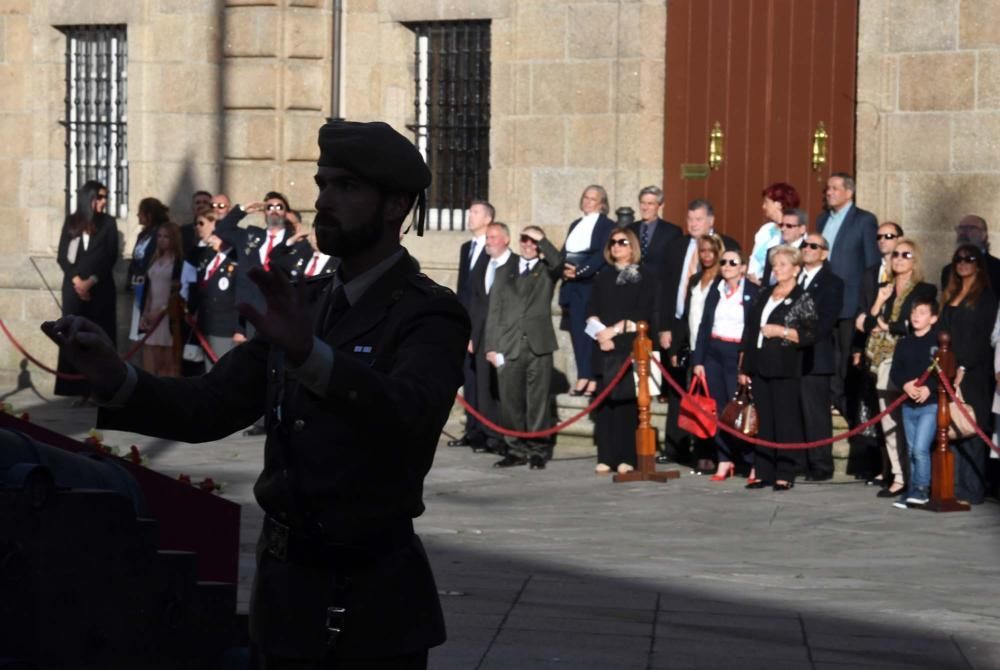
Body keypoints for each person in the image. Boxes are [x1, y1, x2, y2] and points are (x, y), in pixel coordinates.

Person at [43, 119, 469, 669]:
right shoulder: (306, 302)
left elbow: (408, 412)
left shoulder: (428, 312)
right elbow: (208, 406)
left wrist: (310, 357)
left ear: (395, 206)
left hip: (370, 604)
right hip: (283, 598)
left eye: (346, 187)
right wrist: (113, 377)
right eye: (322, 184)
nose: (324, 201)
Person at [658, 200, 740, 465]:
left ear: (711, 221)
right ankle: (676, 447)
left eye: (699, 219)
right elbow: (667, 287)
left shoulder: (726, 246)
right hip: (681, 326)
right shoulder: (677, 246)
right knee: (679, 390)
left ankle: (713, 452)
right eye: (690, 218)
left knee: (710, 395)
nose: (693, 224)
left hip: (714, 334)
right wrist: (665, 326)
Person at [861, 237, 937, 499]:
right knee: (888, 421)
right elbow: (869, 323)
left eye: (905, 255)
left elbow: (913, 325)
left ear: (914, 260)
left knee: (910, 424)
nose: (898, 259)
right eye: (895, 255)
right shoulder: (885, 288)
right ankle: (899, 475)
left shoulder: (924, 290)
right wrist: (879, 301)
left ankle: (918, 481)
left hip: (909, 360)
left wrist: (887, 326)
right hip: (882, 361)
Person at [738, 245, 817, 491]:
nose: (778, 269)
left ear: (795, 269)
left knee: (785, 420)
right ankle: (763, 472)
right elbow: (750, 330)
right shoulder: (765, 294)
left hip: (785, 366)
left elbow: (810, 334)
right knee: (765, 420)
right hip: (760, 364)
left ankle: (785, 472)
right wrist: (743, 366)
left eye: (783, 265)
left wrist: (780, 331)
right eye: (775, 265)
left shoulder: (802, 297)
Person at [484, 226, 562, 469]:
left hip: (538, 345)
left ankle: (538, 449)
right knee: (510, 402)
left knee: (538, 402)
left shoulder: (546, 271)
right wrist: (491, 346)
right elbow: (494, 310)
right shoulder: (505, 270)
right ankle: (515, 449)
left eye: (533, 241)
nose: (528, 245)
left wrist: (543, 240)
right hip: (509, 345)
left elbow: (558, 262)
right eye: (524, 240)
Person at [586, 228, 658, 475]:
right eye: (613, 242)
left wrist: (614, 331)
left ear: (632, 246)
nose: (617, 246)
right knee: (605, 405)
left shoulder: (645, 277)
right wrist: (600, 333)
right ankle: (606, 455)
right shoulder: (602, 276)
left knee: (626, 404)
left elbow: (644, 314)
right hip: (604, 346)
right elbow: (592, 309)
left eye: (622, 242)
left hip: (628, 345)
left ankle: (627, 456)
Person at [691, 249, 759, 481]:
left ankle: (752, 461)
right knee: (718, 410)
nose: (727, 266)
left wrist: (746, 362)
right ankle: (724, 459)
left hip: (737, 353)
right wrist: (698, 360)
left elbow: (753, 329)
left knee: (739, 410)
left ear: (743, 267)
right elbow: (704, 325)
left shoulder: (751, 292)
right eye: (724, 262)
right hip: (714, 352)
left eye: (733, 262)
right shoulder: (716, 289)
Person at [816, 172, 879, 418]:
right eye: (827, 188)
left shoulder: (863, 220)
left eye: (834, 188)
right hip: (825, 302)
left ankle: (846, 410)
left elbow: (871, 264)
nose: (829, 192)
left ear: (849, 192)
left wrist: (867, 304)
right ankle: (830, 400)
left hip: (850, 304)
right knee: (827, 355)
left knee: (845, 358)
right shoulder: (823, 221)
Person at [940, 243, 999, 505]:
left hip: (974, 372)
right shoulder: (950, 294)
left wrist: (963, 366)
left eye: (969, 259)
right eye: (959, 259)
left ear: (978, 264)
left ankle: (972, 489)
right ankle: (952, 486)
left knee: (972, 428)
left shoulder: (986, 297)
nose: (963, 263)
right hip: (948, 370)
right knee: (951, 428)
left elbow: (983, 338)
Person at [54, 180, 120, 404]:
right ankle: (77, 389)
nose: (103, 201)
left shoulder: (109, 223)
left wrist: (90, 281)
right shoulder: (72, 222)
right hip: (74, 289)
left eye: (105, 197)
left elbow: (110, 256)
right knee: (74, 337)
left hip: (99, 289)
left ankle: (100, 389)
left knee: (99, 337)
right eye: (100, 197)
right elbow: (63, 256)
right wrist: (77, 282)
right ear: (89, 198)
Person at [850, 221, 904, 482]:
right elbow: (861, 312)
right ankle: (882, 468)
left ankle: (896, 472)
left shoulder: (904, 273)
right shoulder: (870, 273)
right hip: (872, 348)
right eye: (879, 236)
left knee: (892, 411)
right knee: (874, 410)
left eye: (889, 236)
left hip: (895, 347)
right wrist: (858, 346)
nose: (883, 240)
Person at [673, 233, 725, 474]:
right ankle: (701, 451)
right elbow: (687, 316)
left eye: (710, 251)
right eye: (702, 251)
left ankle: (717, 452)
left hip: (712, 349)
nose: (706, 256)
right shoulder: (695, 280)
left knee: (712, 402)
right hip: (693, 347)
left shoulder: (722, 280)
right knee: (696, 403)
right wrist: (678, 346)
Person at [558, 185, 616, 398]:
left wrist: (580, 272)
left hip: (590, 283)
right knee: (576, 331)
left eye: (593, 198)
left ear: (602, 203)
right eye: (585, 197)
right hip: (571, 283)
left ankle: (592, 377)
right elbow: (565, 251)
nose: (588, 201)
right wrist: (562, 269)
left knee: (590, 331)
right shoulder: (575, 224)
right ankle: (583, 374)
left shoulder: (607, 226)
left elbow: (601, 254)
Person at [798, 233, 845, 482]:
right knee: (796, 411)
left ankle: (820, 465)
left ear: (824, 253)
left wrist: (795, 332)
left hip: (816, 356)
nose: (807, 249)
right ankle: (798, 461)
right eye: (804, 245)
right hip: (791, 358)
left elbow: (825, 321)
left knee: (816, 414)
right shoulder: (794, 277)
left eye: (813, 246)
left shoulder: (832, 282)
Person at [889, 297, 940, 509]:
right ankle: (912, 490)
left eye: (922, 312)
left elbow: (945, 372)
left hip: (930, 404)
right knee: (911, 450)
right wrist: (905, 385)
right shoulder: (903, 343)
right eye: (914, 312)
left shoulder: (937, 343)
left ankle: (922, 490)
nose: (916, 316)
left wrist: (929, 387)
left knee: (920, 448)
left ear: (933, 318)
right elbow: (896, 371)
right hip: (908, 404)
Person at [449, 200, 493, 449]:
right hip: (466, 321)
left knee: (482, 380)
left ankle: (485, 432)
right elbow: (462, 288)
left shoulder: (491, 245)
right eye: (469, 212)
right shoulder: (467, 247)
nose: (470, 216)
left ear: (488, 218)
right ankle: (471, 429)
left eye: (475, 212)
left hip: (483, 324)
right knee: (468, 378)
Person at [468, 221, 514, 454]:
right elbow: (476, 303)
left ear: (506, 239)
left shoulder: (515, 265)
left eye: (493, 237)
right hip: (483, 336)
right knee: (484, 389)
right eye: (487, 238)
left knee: (505, 389)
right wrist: (472, 336)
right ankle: (491, 437)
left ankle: (510, 438)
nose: (489, 242)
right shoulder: (483, 264)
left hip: (507, 337)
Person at [188, 229, 240, 370]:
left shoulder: (235, 260)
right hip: (207, 321)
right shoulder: (211, 257)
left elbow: (239, 295)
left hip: (224, 326)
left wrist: (240, 329)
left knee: (222, 368)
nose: (211, 240)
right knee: (209, 369)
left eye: (215, 237)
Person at [139, 222, 184, 377]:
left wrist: (161, 311)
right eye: (159, 236)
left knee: (168, 365)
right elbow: (149, 291)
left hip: (168, 317)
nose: (162, 240)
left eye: (166, 236)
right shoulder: (155, 259)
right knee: (150, 364)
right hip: (152, 316)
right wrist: (145, 314)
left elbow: (178, 293)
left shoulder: (178, 263)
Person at [127, 197, 170, 342]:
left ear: (149, 214)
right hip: (138, 285)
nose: (138, 215)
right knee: (138, 331)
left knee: (149, 330)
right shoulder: (143, 234)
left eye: (141, 212)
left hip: (151, 287)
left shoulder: (159, 233)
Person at [748, 182, 800, 285]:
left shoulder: (793, 234)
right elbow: (753, 258)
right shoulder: (766, 230)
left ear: (778, 204)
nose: (763, 206)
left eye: (766, 202)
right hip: (752, 286)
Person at [939, 215, 1000, 292]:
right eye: (961, 228)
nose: (963, 233)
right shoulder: (948, 271)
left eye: (970, 228)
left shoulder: (997, 268)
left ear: (983, 235)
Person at [760, 208, 808, 286]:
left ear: (802, 229)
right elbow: (765, 284)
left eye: (789, 226)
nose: (783, 229)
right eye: (782, 225)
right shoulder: (772, 251)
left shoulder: (808, 252)